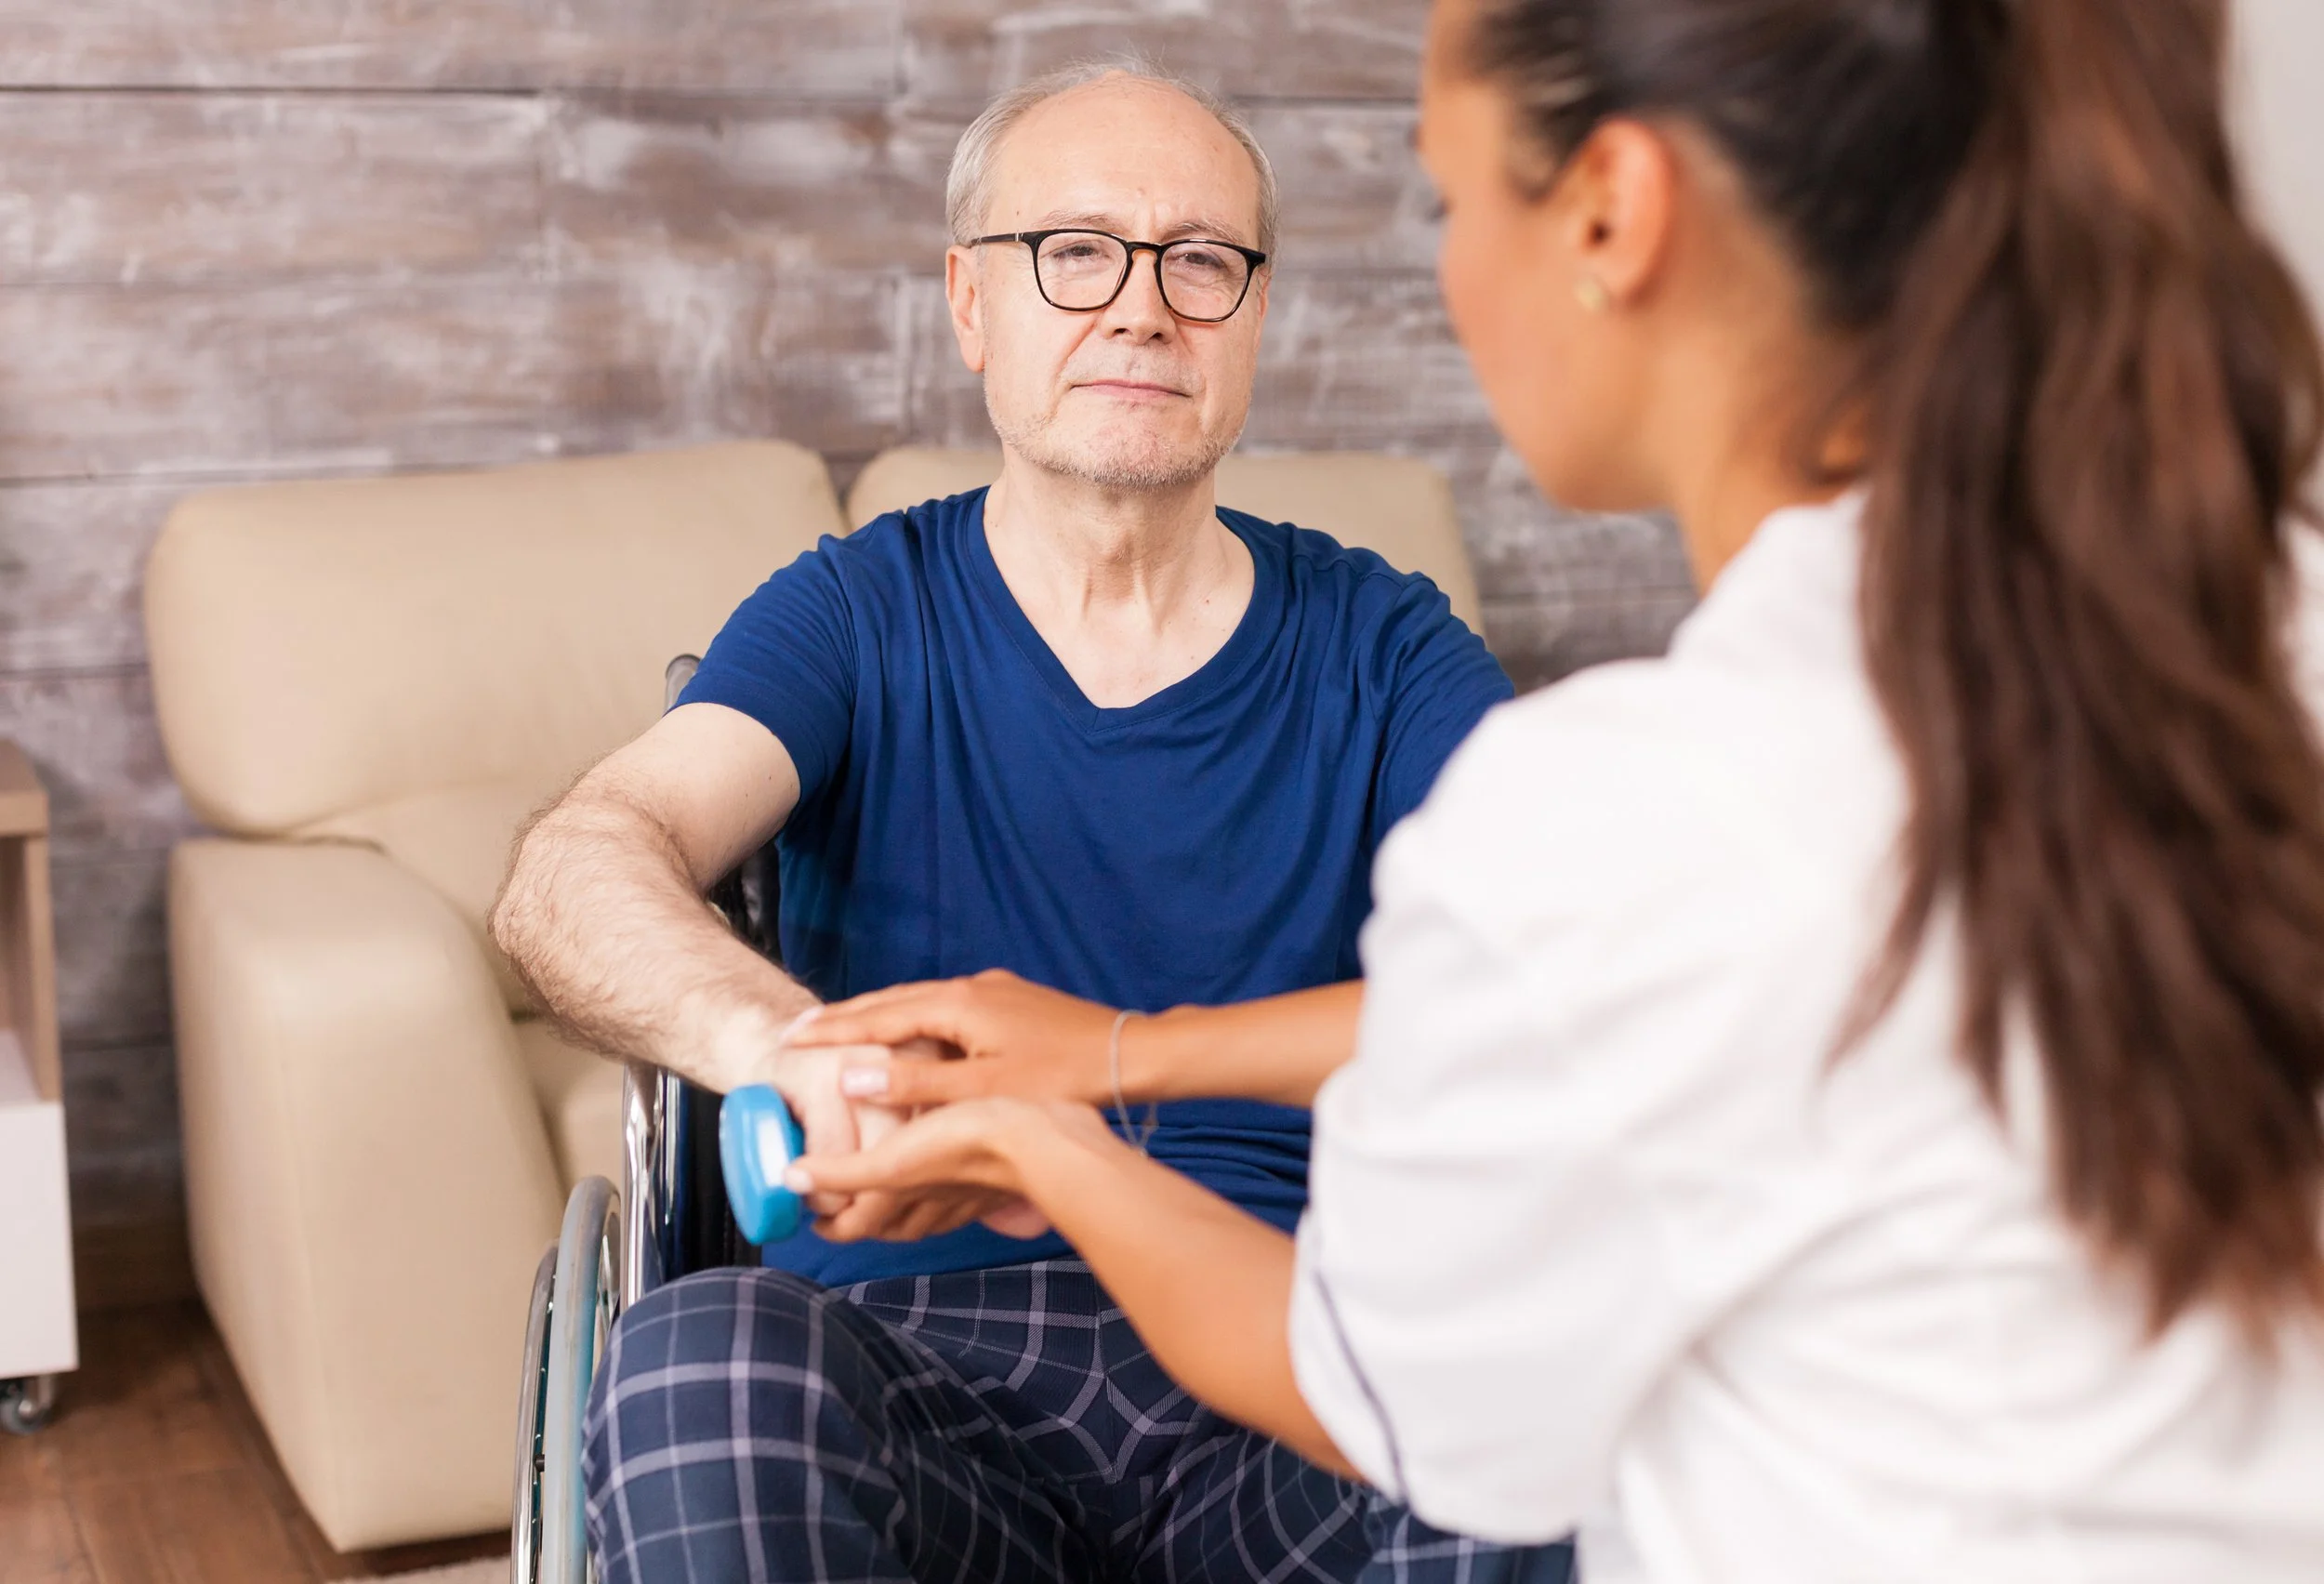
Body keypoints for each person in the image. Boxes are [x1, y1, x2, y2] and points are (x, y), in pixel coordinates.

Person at [786, 1, 2324, 1579]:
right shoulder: (2268, 616)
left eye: (1454, 201)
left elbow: (1376, 1392)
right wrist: (1130, 1052)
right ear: (974, 301)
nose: (1150, 312)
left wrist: (1052, 1138)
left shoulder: (1627, 801)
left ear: (1610, 212)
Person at [486, 55, 1562, 1584]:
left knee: (1542, 1416)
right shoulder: (858, 613)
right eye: (1075, 253)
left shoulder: (1388, 648)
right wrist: (780, 1046)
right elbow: (577, 868)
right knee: (693, 1361)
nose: (1142, 308)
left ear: (1255, 317)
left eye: (1200, 261)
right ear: (972, 304)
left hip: (1288, 1350)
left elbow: (1576, 988)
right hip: (917, 1369)